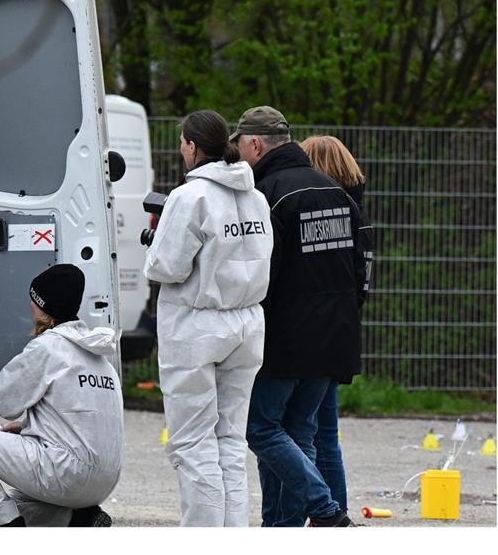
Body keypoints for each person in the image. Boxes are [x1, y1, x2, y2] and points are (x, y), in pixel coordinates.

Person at [232, 106, 367, 527]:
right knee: (300, 434)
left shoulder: (267, 195)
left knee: (262, 430)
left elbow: (260, 275)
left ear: (255, 144)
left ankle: (324, 508)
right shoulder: (337, 192)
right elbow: (360, 271)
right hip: (336, 337)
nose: (238, 156)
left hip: (286, 339)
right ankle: (282, 530)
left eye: (240, 146)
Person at [143, 110, 273, 526]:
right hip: (248, 322)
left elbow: (166, 268)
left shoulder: (190, 197)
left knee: (192, 442)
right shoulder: (255, 196)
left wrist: (155, 241)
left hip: (198, 326)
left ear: (193, 146)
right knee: (230, 441)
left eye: (182, 142)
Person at [0, 264, 123, 527]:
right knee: (20, 504)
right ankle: (76, 518)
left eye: (33, 299)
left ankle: (7, 529)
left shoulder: (48, 347)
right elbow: (84, 420)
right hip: (102, 482)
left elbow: (3, 402)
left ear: (41, 304)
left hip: (66, 473)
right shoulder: (101, 359)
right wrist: (27, 427)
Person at [290, 135, 374, 523]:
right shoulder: (359, 210)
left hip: (312, 334)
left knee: (304, 432)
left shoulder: (321, 206)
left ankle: (325, 512)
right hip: (342, 331)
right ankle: (335, 514)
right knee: (327, 435)